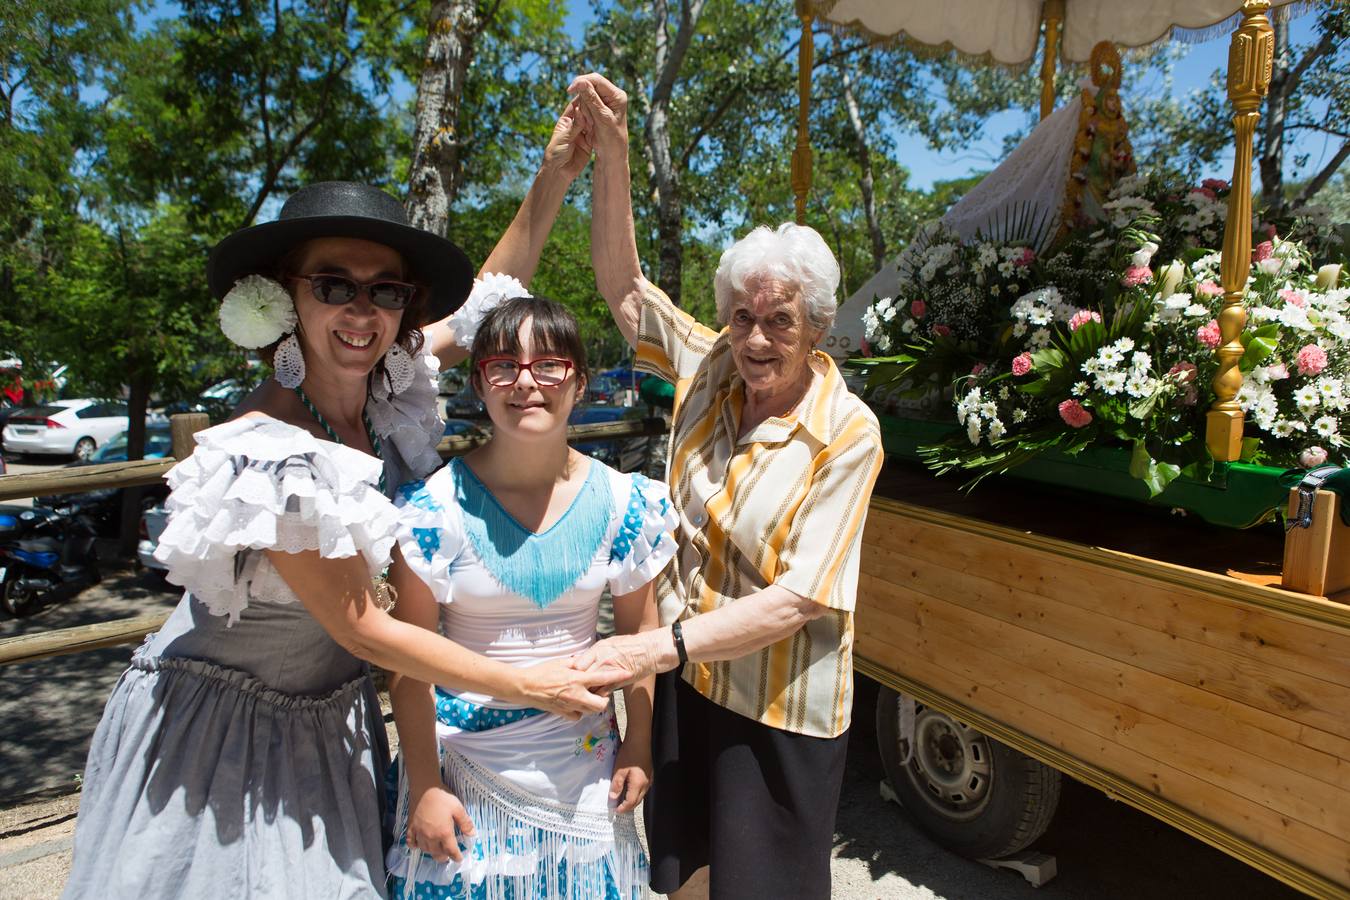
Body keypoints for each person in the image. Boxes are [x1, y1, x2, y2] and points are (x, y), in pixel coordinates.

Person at [63, 100, 620, 900]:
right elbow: (365, 625)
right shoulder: (271, 453)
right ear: (287, 298)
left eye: (386, 291)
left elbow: (492, 295)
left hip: (330, 718)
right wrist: (532, 686)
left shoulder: (386, 389)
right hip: (222, 735)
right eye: (334, 285)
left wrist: (557, 172)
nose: (362, 311)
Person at [569, 73, 885, 900]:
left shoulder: (847, 432)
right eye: (743, 316)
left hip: (776, 701)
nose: (755, 338)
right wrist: (615, 154)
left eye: (779, 319)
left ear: (817, 326)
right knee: (682, 874)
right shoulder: (710, 365)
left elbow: (801, 599)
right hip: (687, 681)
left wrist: (657, 646)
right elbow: (623, 288)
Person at [383, 293, 676, 900]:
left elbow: (639, 642)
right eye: (502, 366)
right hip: (464, 775)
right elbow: (406, 664)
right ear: (478, 384)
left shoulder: (627, 505)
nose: (526, 383)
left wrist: (640, 744)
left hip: (586, 774)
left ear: (579, 383)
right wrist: (424, 784)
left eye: (548, 365)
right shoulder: (432, 512)